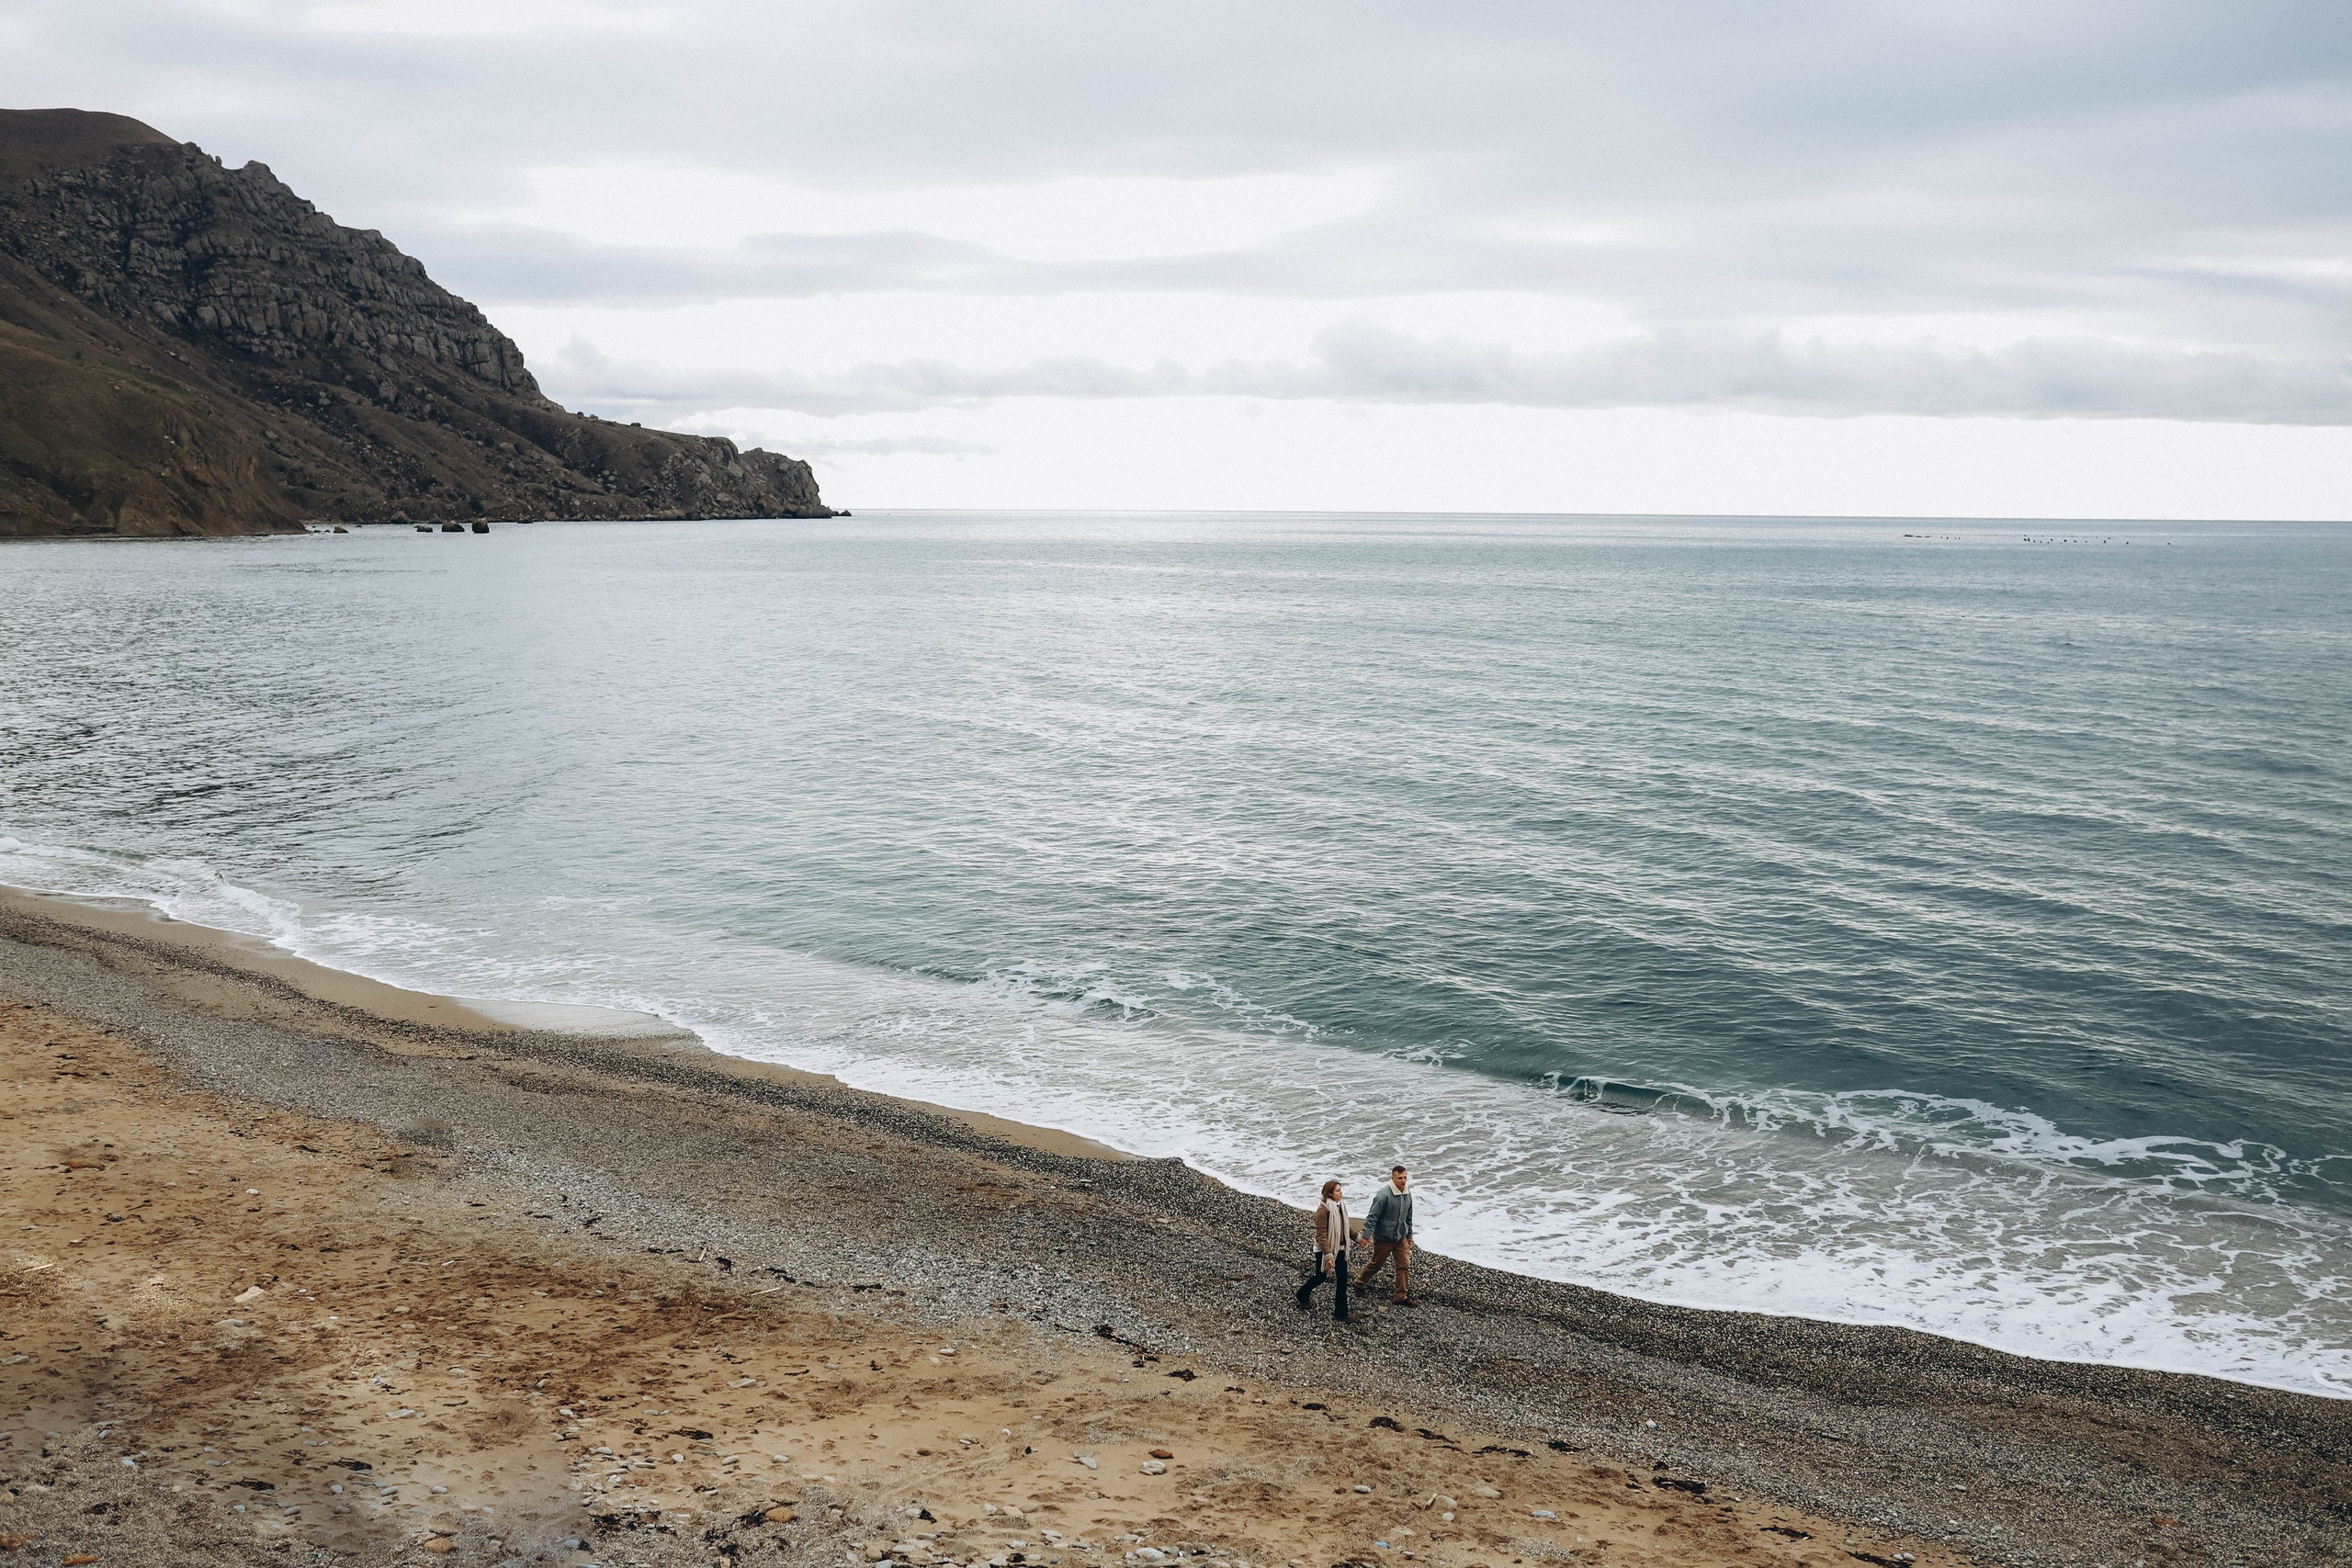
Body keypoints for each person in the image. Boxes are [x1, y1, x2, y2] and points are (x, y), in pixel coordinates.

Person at [1295, 1179, 1360, 1320]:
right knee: (1321, 1277)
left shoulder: (1340, 1206)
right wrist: (1329, 1255)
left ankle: (1341, 1313)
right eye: (1337, 1190)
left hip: (1340, 1247)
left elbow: (1345, 1226)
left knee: (1342, 1279)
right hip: (1324, 1249)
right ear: (1330, 1193)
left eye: (1340, 1189)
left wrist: (1358, 1238)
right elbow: (1322, 1235)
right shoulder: (1322, 1211)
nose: (1341, 1192)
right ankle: (1302, 1294)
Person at [1357, 1164, 1418, 1305]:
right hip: (1384, 1237)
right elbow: (1372, 1217)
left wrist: (1409, 1235)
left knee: (1404, 1265)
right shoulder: (1383, 1195)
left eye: (1405, 1178)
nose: (1403, 1181)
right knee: (1376, 1264)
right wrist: (1366, 1235)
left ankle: (1400, 1296)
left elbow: (1409, 1216)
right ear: (1393, 1178)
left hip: (1400, 1236)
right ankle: (1359, 1283)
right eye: (1400, 1178)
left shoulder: (1408, 1194)